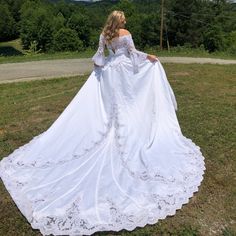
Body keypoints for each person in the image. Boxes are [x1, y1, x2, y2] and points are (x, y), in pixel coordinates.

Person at [0, 10, 206, 236]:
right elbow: (133, 53)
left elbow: (99, 57)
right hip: (125, 70)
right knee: (128, 101)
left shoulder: (104, 35)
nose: (126, 20)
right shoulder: (125, 33)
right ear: (119, 21)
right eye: (124, 17)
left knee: (112, 104)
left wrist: (101, 69)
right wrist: (150, 58)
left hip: (110, 71)